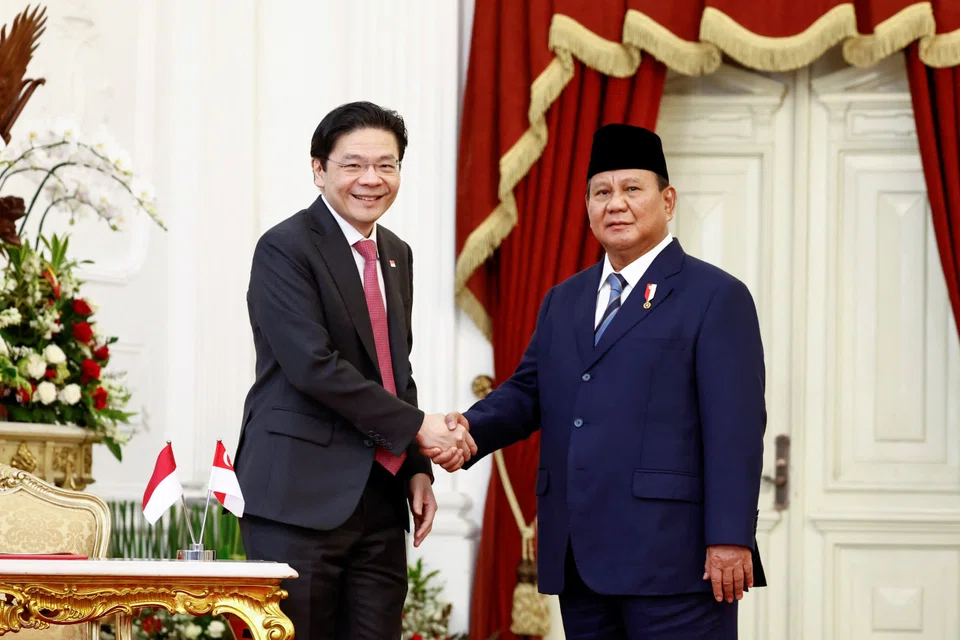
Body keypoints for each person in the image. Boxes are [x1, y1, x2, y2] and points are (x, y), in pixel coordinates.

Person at [429, 124, 767, 639]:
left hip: (674, 562)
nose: (617, 204)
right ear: (587, 205)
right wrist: (466, 431)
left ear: (667, 199)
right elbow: (527, 392)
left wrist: (730, 538)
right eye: (602, 192)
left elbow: (736, 430)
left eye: (633, 189)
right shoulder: (564, 299)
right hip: (581, 557)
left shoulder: (714, 297)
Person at [235, 101, 475, 639]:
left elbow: (395, 372)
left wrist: (418, 465)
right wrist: (419, 427)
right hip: (299, 498)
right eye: (354, 164)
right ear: (318, 169)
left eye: (386, 165)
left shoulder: (397, 253)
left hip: (380, 497)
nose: (372, 179)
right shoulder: (284, 247)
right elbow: (313, 367)